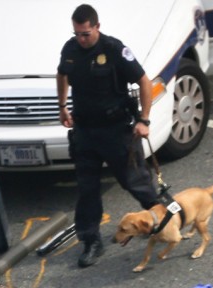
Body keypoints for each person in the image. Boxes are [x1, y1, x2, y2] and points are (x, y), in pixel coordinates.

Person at [56, 3, 159, 268]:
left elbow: (144, 82)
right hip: (85, 132)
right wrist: (62, 106)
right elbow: (62, 74)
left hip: (116, 131)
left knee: (135, 182)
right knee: (87, 189)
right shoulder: (70, 49)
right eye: (77, 33)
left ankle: (163, 222)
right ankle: (91, 241)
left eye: (86, 34)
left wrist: (144, 119)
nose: (81, 38)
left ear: (97, 27)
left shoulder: (114, 50)